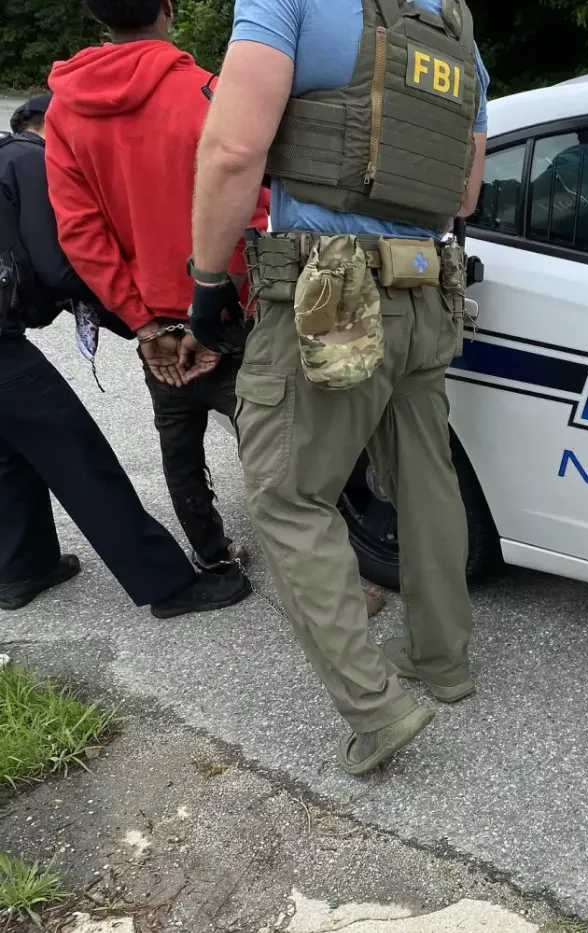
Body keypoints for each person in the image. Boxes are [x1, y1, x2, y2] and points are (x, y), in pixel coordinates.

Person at [191, 0, 489, 773]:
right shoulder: (456, 29)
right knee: (425, 476)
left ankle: (376, 709)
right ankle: (444, 661)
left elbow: (232, 150)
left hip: (335, 296)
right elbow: (463, 197)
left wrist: (207, 281)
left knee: (288, 497)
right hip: (426, 290)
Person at [0, 95, 251, 617]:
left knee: (7, 450)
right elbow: (60, 266)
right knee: (79, 457)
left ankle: (24, 568)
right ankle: (168, 586)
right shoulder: (31, 158)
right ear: (51, 125)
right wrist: (148, 327)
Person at [43, 0, 265, 584]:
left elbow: (80, 232)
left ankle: (213, 554)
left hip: (155, 324)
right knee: (272, 441)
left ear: (99, 17)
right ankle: (315, 568)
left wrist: (143, 325)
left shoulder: (65, 110)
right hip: (227, 309)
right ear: (168, 9)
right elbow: (253, 211)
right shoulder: (210, 92)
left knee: (178, 437)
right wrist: (215, 311)